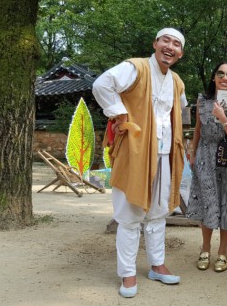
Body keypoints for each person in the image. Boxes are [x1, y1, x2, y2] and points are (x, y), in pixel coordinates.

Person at [92, 27, 187, 298]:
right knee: (130, 215)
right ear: (155, 43)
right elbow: (101, 85)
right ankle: (128, 273)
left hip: (165, 153)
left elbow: (180, 108)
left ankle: (157, 265)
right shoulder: (135, 68)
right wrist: (119, 113)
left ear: (180, 53)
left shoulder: (177, 81)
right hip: (134, 151)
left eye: (176, 44)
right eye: (166, 41)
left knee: (158, 213)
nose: (170, 47)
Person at [186, 62, 227, 272]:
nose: (225, 77)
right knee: (208, 202)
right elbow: (198, 129)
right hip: (206, 156)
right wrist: (193, 151)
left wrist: (223, 119)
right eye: (220, 73)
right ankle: (205, 249)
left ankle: (222, 252)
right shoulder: (203, 100)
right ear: (213, 77)